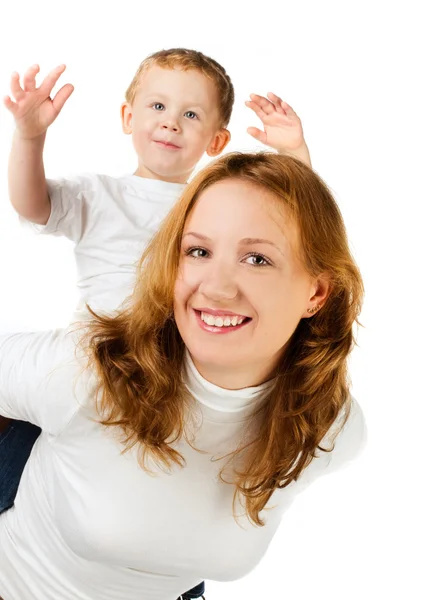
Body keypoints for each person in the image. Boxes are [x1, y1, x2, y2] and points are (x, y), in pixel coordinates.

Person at [0, 151, 366, 600]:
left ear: (317, 292)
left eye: (257, 260)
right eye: (198, 251)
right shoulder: (89, 374)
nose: (215, 287)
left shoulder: (330, 427)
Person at [0, 45, 311, 562]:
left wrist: (295, 157)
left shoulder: (211, 205)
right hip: (94, 360)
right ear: (128, 117)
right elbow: (32, 204)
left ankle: (179, 581)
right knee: (35, 441)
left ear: (216, 141)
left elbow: (289, 222)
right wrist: (30, 137)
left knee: (180, 484)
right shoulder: (99, 194)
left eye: (191, 115)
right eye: (158, 107)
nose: (171, 123)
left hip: (177, 365)